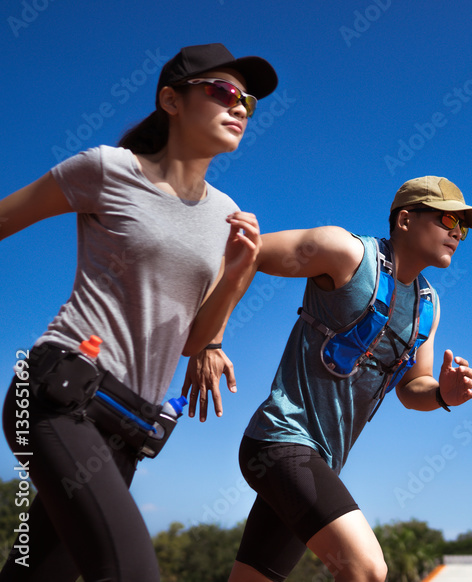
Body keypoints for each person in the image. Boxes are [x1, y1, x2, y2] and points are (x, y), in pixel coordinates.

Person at [0, 43, 278, 581]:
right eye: (222, 92)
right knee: (131, 572)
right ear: (171, 100)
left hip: (128, 426)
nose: (239, 106)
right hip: (59, 392)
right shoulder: (107, 169)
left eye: (247, 100)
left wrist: (240, 277)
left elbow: (195, 341)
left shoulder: (225, 215)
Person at [200, 176, 472, 581]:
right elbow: (251, 253)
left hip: (322, 461)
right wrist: (210, 341)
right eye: (446, 219)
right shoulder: (345, 252)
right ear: (405, 219)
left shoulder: (427, 304)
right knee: (366, 569)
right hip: (280, 442)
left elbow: (411, 388)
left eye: (463, 227)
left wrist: (443, 395)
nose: (457, 233)